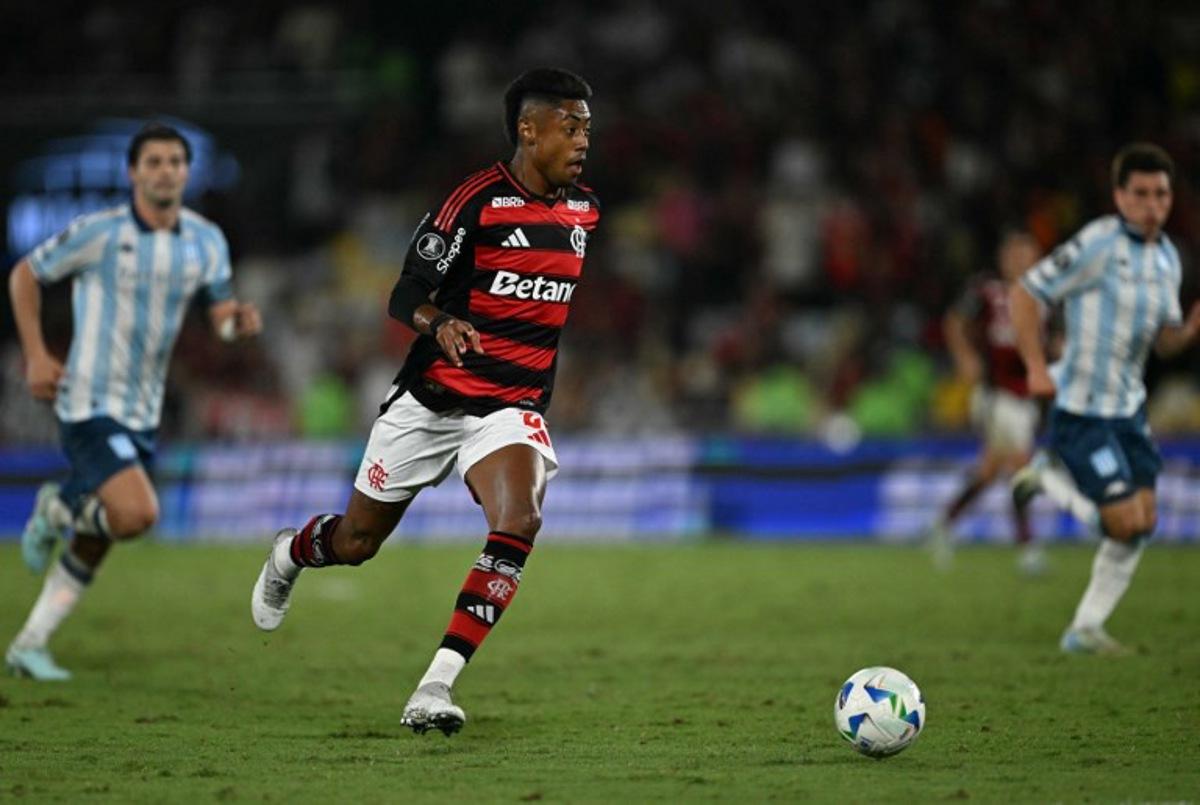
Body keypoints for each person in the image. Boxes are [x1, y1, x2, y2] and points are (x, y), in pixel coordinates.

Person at [250, 67, 599, 736]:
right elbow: (404, 292)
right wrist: (439, 323)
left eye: (588, 128)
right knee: (355, 542)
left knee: (519, 521)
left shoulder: (586, 211)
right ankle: (290, 552)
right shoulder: (474, 202)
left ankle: (434, 686)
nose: (583, 140)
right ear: (529, 130)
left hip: (508, 408)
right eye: (570, 126)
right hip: (432, 398)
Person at [6, 123, 262, 680]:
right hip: (90, 401)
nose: (166, 171)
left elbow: (217, 315)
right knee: (137, 513)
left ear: (186, 172)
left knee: (101, 536)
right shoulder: (99, 232)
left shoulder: (205, 240)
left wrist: (234, 325)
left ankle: (29, 644)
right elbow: (25, 274)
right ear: (133, 173)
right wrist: (36, 354)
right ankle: (54, 506)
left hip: (145, 409)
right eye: (154, 162)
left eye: (175, 161)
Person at [1009, 142, 1200, 654]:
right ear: (1119, 195)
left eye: (1160, 193)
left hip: (1128, 408)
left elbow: (1164, 338)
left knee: (1144, 521)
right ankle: (1048, 477)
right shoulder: (1096, 243)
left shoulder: (1166, 259)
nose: (1152, 204)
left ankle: (1085, 629)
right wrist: (1033, 366)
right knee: (1120, 520)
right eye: (1139, 193)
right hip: (1081, 408)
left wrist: (1190, 330)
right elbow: (1025, 292)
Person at [928, 232, 1046, 573]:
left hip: (1027, 395)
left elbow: (1054, 341)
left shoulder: (1047, 296)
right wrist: (965, 357)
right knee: (1022, 465)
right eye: (1014, 254)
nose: (1020, 261)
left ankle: (943, 523)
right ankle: (1028, 548)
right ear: (1003, 258)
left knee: (990, 470)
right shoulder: (987, 290)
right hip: (995, 393)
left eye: (1028, 255)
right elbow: (954, 321)